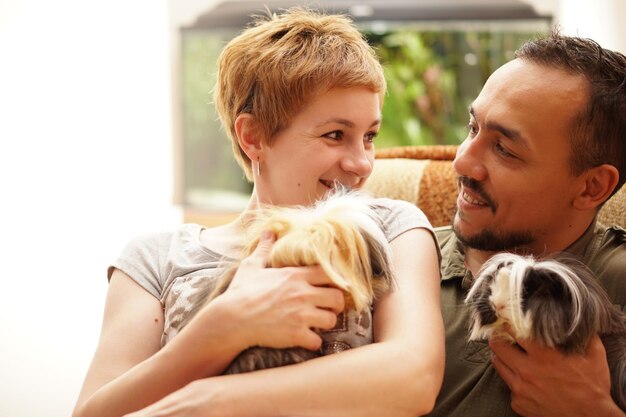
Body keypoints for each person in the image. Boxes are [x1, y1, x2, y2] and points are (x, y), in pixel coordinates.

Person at [73, 8, 444, 417]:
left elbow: (414, 377)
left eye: (369, 136)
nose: (362, 163)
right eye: (335, 135)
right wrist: (224, 326)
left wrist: (210, 401)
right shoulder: (157, 258)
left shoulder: (391, 228)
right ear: (254, 136)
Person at [427, 32, 626, 417]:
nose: (462, 163)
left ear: (591, 186)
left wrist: (591, 410)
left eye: (505, 149)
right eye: (472, 129)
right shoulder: (397, 257)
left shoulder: (618, 281)